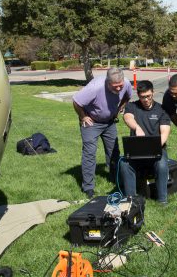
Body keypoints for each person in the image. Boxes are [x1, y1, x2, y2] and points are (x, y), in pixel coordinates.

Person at [73, 67, 132, 199]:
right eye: (115, 86)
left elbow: (127, 96)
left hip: (109, 122)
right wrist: (83, 116)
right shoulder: (95, 87)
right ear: (107, 82)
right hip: (91, 122)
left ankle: (115, 179)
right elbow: (76, 101)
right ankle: (88, 187)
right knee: (89, 153)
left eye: (120, 86)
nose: (118, 89)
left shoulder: (126, 83)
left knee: (114, 152)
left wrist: (119, 108)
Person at [119, 80, 171, 204]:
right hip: (136, 151)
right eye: (143, 97)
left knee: (162, 164)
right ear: (138, 95)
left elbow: (165, 132)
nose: (146, 100)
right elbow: (127, 117)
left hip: (157, 150)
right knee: (124, 164)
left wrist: (155, 147)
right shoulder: (132, 106)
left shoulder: (161, 109)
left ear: (153, 93)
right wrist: (137, 127)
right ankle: (131, 200)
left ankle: (162, 200)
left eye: (148, 96)